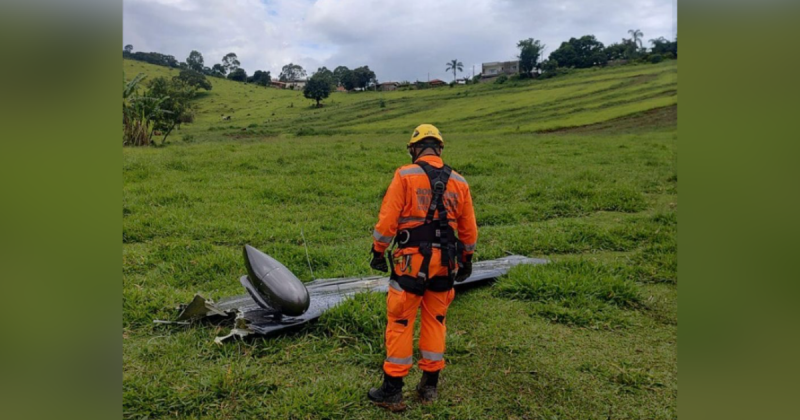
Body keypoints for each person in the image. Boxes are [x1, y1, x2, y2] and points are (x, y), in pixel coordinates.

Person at [367, 123, 478, 411]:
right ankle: (429, 387)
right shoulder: (460, 182)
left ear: (415, 149)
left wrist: (378, 252)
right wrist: (466, 260)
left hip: (410, 263)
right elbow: (468, 231)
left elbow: (387, 222)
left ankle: (392, 391)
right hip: (445, 265)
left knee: (401, 321)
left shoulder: (405, 175)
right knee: (436, 320)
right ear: (439, 149)